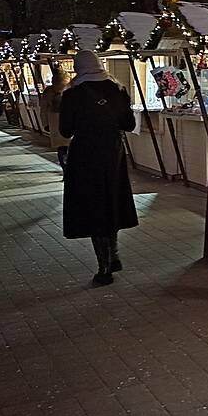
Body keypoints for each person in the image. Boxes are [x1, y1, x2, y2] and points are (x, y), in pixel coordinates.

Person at [58, 50, 138, 285]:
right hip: (113, 154)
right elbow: (129, 123)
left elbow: (66, 131)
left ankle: (104, 267)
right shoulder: (117, 89)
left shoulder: (72, 94)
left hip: (85, 156)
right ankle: (113, 255)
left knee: (94, 205)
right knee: (111, 201)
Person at [39, 64, 70, 171]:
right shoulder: (70, 90)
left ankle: (65, 167)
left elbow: (43, 109)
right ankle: (70, 168)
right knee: (71, 146)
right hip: (70, 120)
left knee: (61, 147)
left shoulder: (49, 91)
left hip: (54, 122)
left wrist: (45, 124)